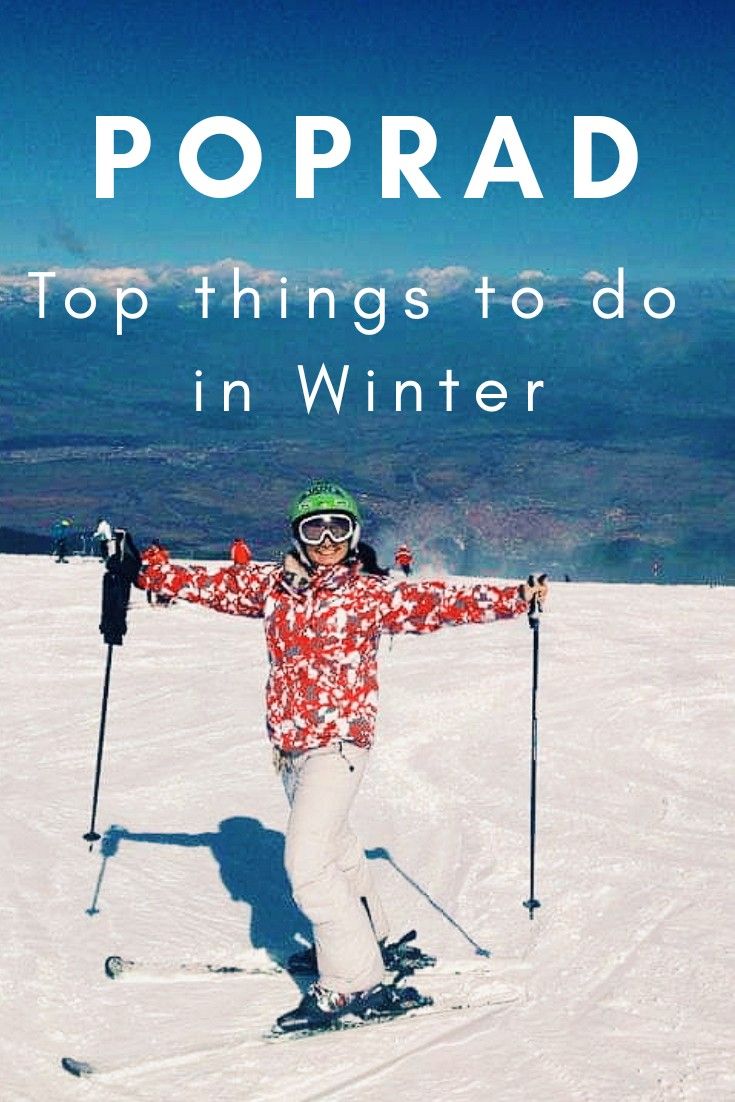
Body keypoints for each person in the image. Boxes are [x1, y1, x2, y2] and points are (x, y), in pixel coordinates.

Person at [137, 480, 547, 1033]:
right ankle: (370, 937)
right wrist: (148, 570)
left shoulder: (369, 594)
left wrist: (514, 597)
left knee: (306, 864)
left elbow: (436, 602)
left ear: (354, 535)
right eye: (314, 528)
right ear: (297, 535)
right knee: (337, 846)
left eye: (339, 528)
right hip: (290, 746)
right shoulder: (274, 589)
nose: (327, 539)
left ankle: (357, 981)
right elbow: (214, 585)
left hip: (340, 742)